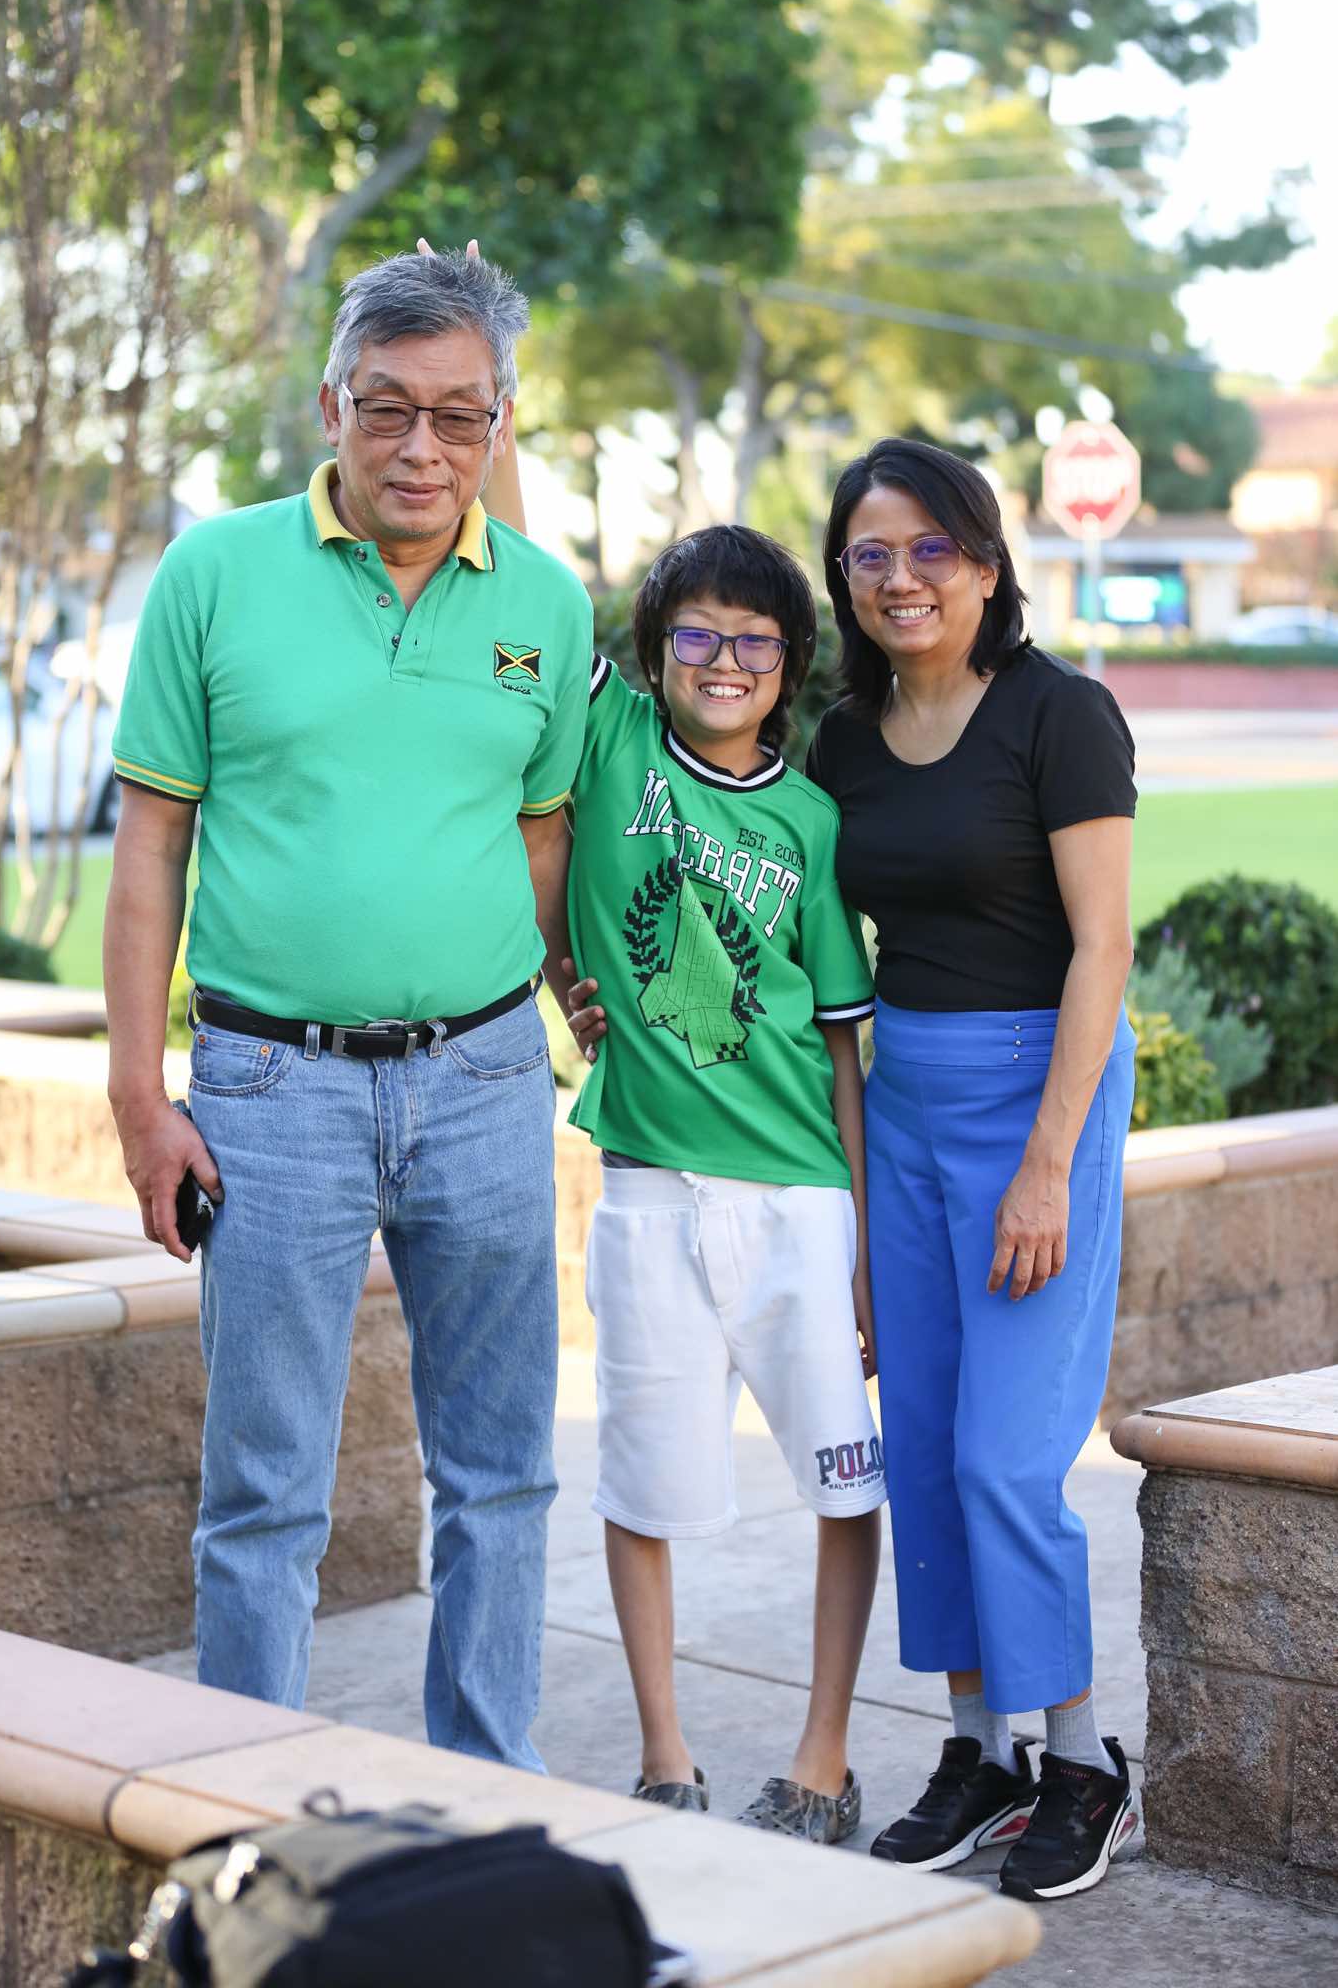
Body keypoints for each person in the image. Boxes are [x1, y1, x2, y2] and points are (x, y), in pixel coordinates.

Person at [103, 246, 592, 1771]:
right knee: (264, 1492)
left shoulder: (547, 604)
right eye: (388, 409)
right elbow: (151, 846)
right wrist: (139, 1098)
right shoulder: (214, 574)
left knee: (500, 1475)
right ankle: (245, 1808)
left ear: (498, 424)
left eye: (458, 416)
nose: (420, 448)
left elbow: (541, 846)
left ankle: (488, 1792)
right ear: (332, 405)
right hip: (270, 1090)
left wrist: (583, 1007)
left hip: (487, 1081)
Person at [806, 438, 1139, 1900]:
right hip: (907, 1104)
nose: (902, 578)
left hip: (1038, 1094)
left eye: (931, 549)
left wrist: (1048, 1162)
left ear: (987, 566)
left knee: (1009, 1455)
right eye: (871, 555)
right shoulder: (843, 738)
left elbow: (1103, 950)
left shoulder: (1061, 714)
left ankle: (1082, 1762)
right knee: (930, 1442)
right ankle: (977, 1749)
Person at [563, 525, 885, 1843]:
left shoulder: (810, 821)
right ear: (653, 651)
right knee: (640, 1485)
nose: (724, 659)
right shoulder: (612, 742)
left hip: (802, 1201)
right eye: (695, 631)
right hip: (648, 1196)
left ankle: (823, 1760)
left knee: (844, 1481)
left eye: (756, 640)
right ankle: (664, 1755)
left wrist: (863, 1248)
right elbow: (511, 544)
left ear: (792, 665)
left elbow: (841, 1044)